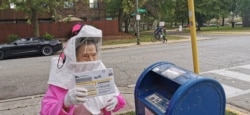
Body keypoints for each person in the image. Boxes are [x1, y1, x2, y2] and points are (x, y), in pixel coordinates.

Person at [40, 24, 126, 115]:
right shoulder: (61, 77)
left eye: (93, 55)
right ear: (73, 56)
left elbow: (117, 96)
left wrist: (116, 100)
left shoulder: (99, 69)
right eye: (85, 56)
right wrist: (65, 103)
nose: (91, 60)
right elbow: (46, 111)